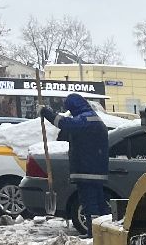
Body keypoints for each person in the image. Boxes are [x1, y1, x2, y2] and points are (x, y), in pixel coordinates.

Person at [39, 93, 109, 224]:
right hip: (96, 170)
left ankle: (93, 233)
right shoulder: (94, 118)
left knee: (90, 204)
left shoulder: (85, 120)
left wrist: (46, 112)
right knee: (99, 204)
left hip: (87, 170)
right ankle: (101, 233)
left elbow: (64, 123)